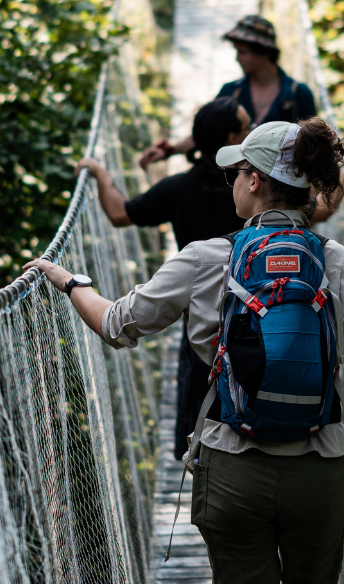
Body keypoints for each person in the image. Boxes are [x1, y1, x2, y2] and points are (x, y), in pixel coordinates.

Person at [26, 117, 344, 584]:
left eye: (235, 173)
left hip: (232, 465)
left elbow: (117, 323)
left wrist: (71, 282)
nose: (233, 183)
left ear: (255, 180)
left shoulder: (204, 258)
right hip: (319, 466)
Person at [77, 97, 253, 459]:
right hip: (257, 309)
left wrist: (101, 174)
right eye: (246, 127)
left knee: (198, 400)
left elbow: (118, 213)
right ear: (233, 139)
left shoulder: (178, 188)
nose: (252, 131)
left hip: (200, 315)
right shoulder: (254, 189)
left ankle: (198, 463)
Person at [139, 15, 317, 169]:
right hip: (234, 190)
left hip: (282, 195)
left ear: (265, 53)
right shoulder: (230, 91)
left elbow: (313, 148)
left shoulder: (298, 94)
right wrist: (168, 150)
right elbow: (207, 134)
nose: (237, 58)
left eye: (243, 52)